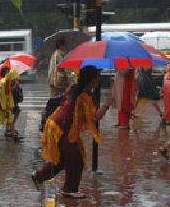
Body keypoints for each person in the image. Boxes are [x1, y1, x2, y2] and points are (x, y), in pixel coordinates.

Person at [32, 66, 112, 198]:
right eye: (97, 76)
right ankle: (69, 190)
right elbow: (95, 117)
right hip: (63, 127)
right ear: (92, 80)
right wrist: (107, 104)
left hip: (56, 123)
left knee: (63, 160)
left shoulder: (75, 88)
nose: (99, 79)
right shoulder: (85, 95)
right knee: (76, 159)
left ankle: (39, 176)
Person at [0, 69, 22, 141]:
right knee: (10, 119)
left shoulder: (4, 81)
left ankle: (9, 131)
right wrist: (15, 85)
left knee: (9, 119)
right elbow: (7, 92)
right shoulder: (5, 82)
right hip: (8, 103)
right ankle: (13, 134)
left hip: (8, 103)